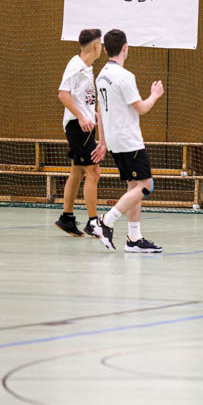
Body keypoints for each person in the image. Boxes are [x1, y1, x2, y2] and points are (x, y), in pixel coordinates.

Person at [91, 29, 165, 253]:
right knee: (146, 186)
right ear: (125, 47)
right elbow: (141, 108)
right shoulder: (125, 76)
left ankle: (134, 239)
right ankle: (106, 221)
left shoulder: (101, 75)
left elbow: (100, 110)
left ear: (105, 49)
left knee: (134, 186)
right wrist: (155, 94)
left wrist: (102, 142)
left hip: (114, 139)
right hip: (128, 139)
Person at [55, 28, 107, 238]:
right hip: (78, 127)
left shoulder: (87, 67)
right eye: (100, 44)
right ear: (95, 46)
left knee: (77, 171)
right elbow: (63, 94)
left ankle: (67, 218)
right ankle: (93, 223)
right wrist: (81, 116)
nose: (102, 48)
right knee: (94, 171)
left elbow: (79, 96)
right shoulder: (76, 66)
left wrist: (89, 112)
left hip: (83, 124)